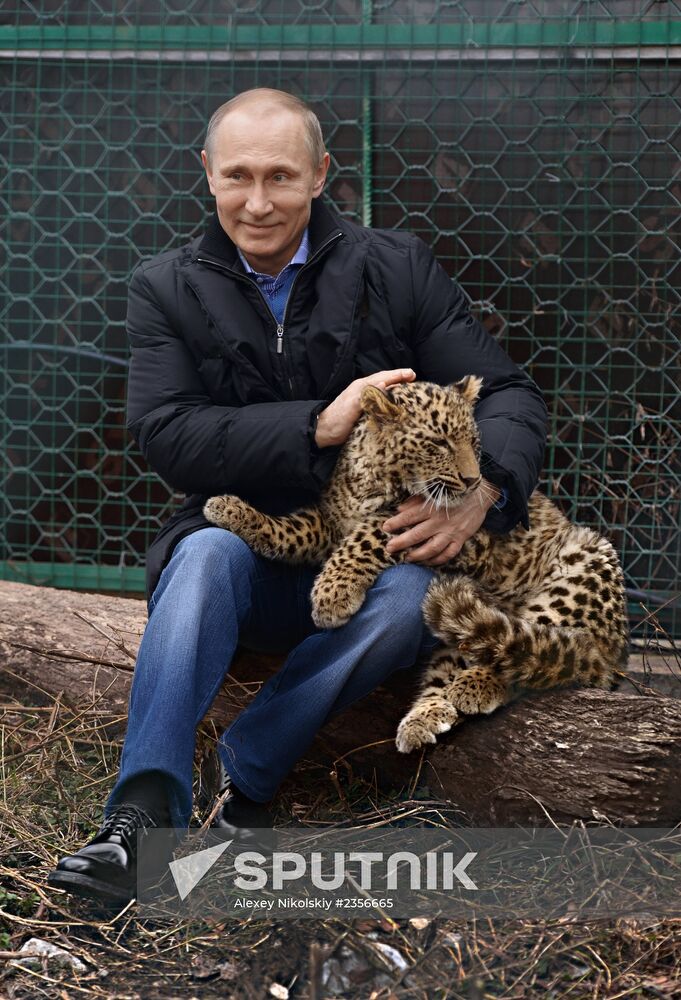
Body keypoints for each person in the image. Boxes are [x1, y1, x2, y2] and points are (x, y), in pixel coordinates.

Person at [48, 88, 548, 903]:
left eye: (279, 176)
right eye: (236, 175)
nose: (256, 201)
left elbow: (510, 394)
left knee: (409, 598)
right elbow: (168, 436)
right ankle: (138, 822)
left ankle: (245, 777)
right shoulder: (165, 287)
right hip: (244, 548)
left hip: (373, 561)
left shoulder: (397, 266)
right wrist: (319, 422)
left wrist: (484, 491)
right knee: (204, 554)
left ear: (319, 175)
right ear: (206, 174)